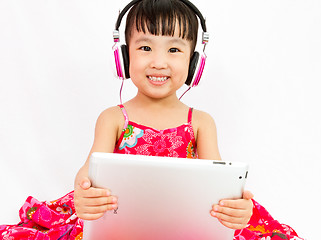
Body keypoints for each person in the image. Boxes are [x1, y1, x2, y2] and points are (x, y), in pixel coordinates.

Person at [0, 0, 303, 239]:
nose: (159, 62)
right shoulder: (114, 118)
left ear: (194, 63)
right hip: (118, 221)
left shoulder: (201, 122)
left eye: (174, 50)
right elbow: (87, 173)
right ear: (125, 57)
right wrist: (84, 191)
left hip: (183, 221)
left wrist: (236, 208)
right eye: (145, 48)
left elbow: (219, 185)